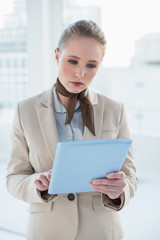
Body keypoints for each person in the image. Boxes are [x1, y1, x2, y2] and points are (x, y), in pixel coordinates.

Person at [6, 20, 137, 240]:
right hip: (47, 231)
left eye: (91, 65)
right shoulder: (25, 111)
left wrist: (120, 191)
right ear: (57, 56)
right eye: (73, 61)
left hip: (102, 231)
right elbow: (13, 178)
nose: (80, 74)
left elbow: (130, 176)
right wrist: (36, 185)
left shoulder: (116, 110)